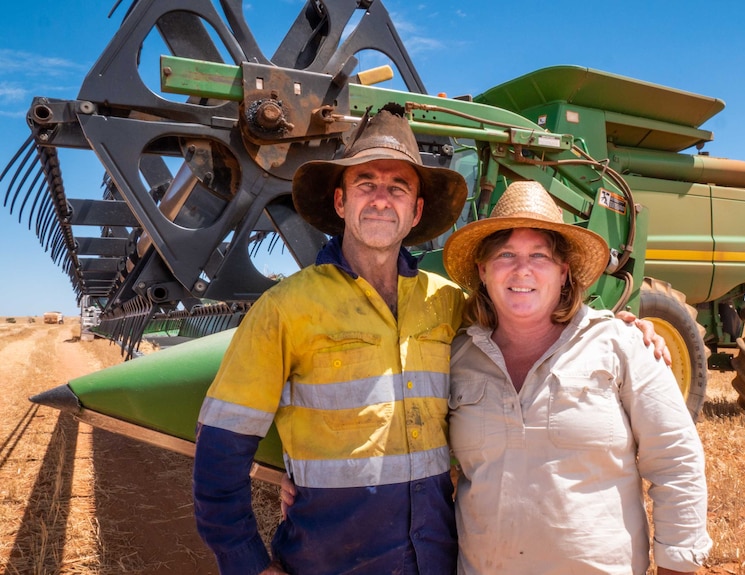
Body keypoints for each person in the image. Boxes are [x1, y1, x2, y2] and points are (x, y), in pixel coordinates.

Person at [196, 104, 668, 575]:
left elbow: (527, 318)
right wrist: (248, 565)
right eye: (366, 184)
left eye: (398, 188)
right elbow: (220, 449)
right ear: (341, 202)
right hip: (330, 562)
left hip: (436, 559)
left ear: (416, 210)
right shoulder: (285, 309)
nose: (382, 198)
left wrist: (617, 327)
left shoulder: (446, 304)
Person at [441, 180, 712, 575]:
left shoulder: (621, 344)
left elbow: (675, 459)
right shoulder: (457, 356)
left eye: (540, 255)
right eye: (505, 255)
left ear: (564, 272)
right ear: (483, 270)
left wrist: (677, 565)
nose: (522, 270)